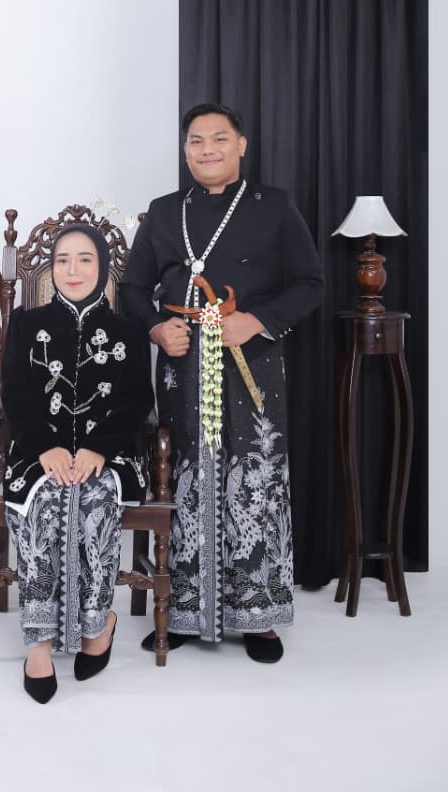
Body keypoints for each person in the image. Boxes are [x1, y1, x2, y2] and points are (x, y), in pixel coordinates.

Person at [120, 103, 324, 664]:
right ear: (185, 149)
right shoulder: (165, 212)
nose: (206, 149)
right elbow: (134, 288)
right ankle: (182, 610)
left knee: (253, 480)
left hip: (251, 362)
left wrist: (255, 321)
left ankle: (257, 617)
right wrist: (157, 329)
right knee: (185, 478)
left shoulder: (274, 206)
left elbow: (311, 283)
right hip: (182, 363)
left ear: (241, 145)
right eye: (195, 141)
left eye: (218, 138)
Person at [2, 222, 154, 702]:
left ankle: (97, 626)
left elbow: (137, 401)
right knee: (44, 500)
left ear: (102, 267)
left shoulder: (127, 330)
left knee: (96, 499)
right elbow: (15, 394)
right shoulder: (26, 325)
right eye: (62, 260)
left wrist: (99, 447)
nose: (73, 270)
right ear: (51, 268)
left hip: (110, 454)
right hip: (36, 453)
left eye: (85, 259)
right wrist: (43, 446)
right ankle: (39, 644)